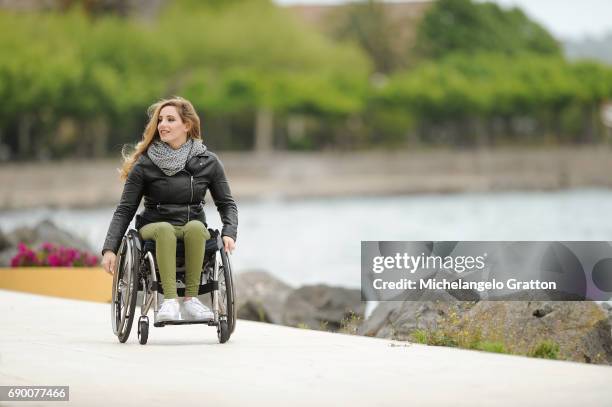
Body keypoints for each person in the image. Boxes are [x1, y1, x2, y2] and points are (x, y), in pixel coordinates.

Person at [101, 97, 238, 323]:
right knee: (165, 229)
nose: (163, 124)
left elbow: (227, 204)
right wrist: (110, 249)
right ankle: (170, 302)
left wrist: (229, 232)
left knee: (195, 227)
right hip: (153, 227)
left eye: (170, 119)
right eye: (161, 120)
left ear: (187, 125)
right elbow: (125, 210)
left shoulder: (208, 162)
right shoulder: (145, 164)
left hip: (191, 226)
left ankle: (191, 300)